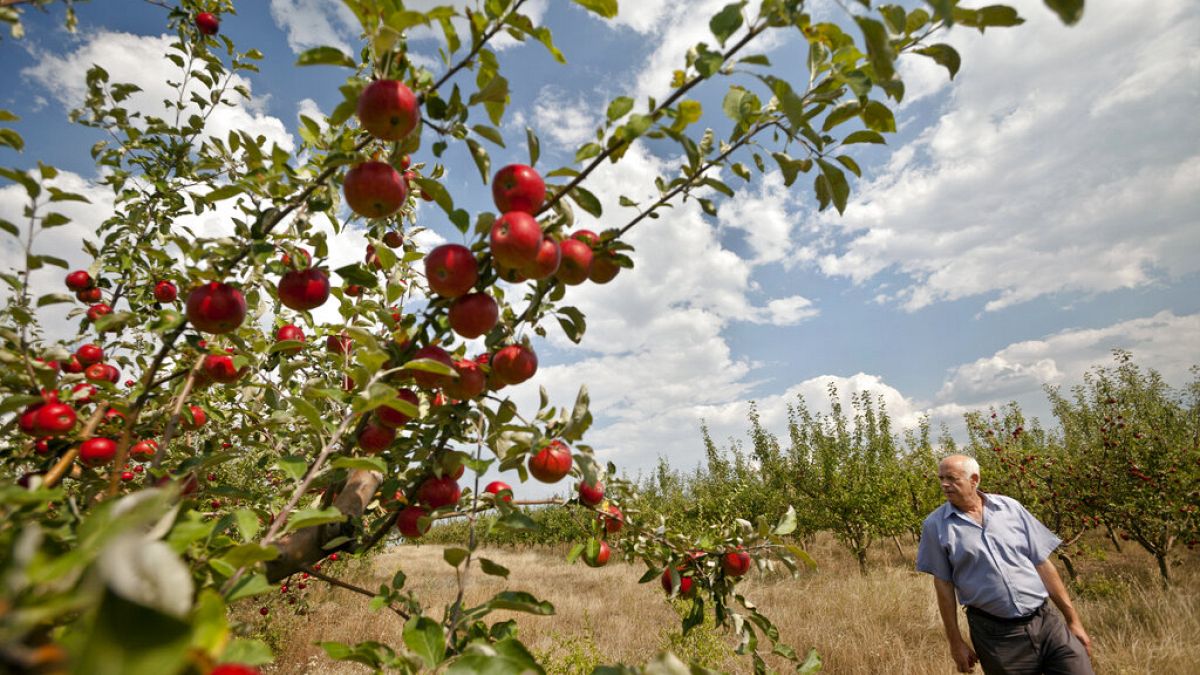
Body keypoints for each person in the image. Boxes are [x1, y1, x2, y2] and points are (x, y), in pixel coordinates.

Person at [916, 454, 1094, 674]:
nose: (944, 484)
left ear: (974, 479)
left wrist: (1073, 620)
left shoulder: (1010, 508)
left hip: (1046, 622)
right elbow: (943, 585)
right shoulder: (936, 525)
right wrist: (956, 642)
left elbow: (1042, 563)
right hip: (996, 636)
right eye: (941, 478)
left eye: (952, 478)